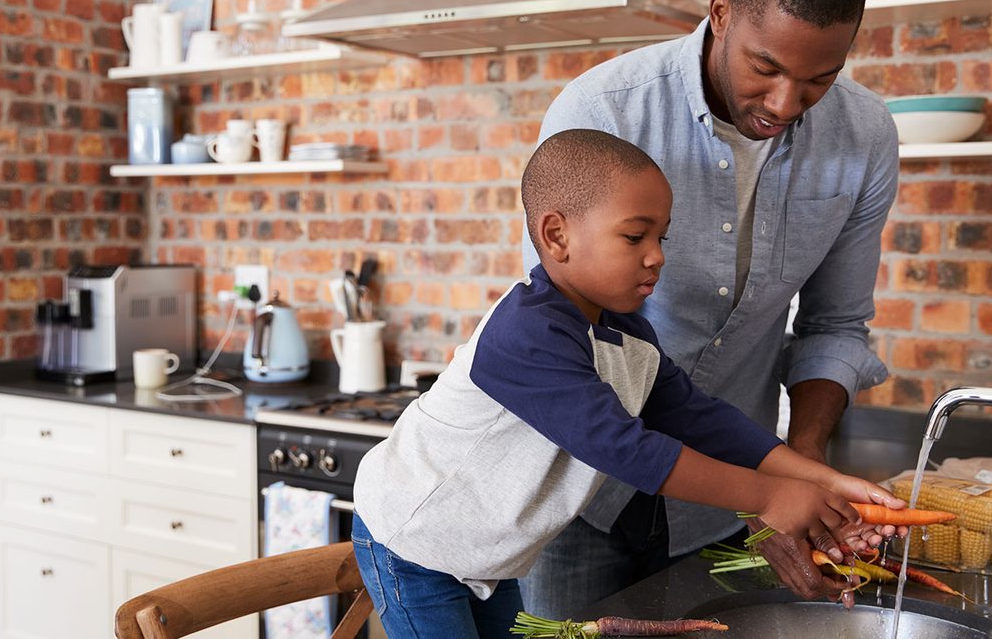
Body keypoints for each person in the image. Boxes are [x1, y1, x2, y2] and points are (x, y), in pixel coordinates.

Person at [352, 129, 903, 639]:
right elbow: (626, 450)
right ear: (557, 236)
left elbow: (698, 418)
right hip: (415, 541)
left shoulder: (625, 334)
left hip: (483, 553)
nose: (657, 256)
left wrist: (826, 481)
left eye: (661, 236)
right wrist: (772, 495)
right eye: (635, 236)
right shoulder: (527, 332)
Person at [518, 0, 901, 619]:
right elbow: (571, 343)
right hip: (580, 501)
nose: (785, 105)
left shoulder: (865, 137)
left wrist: (802, 475)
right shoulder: (602, 112)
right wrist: (768, 492)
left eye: (819, 78)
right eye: (766, 67)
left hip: (724, 518)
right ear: (720, 11)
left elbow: (836, 325)